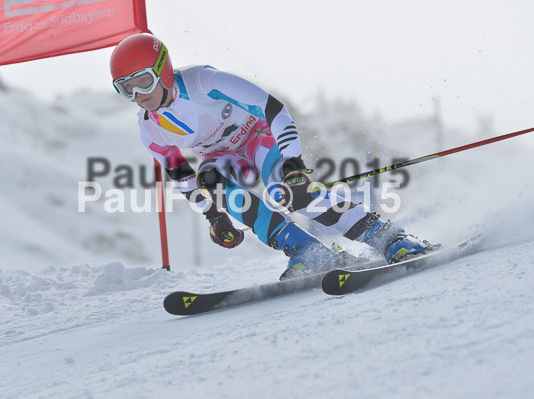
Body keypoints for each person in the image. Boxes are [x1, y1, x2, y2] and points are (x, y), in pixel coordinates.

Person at [110, 33, 434, 280]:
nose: (139, 95)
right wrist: (214, 216)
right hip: (224, 160)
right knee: (211, 180)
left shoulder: (204, 82)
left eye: (143, 81)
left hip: (259, 138)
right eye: (126, 89)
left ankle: (388, 237)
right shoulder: (150, 129)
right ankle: (306, 250)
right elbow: (181, 176)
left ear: (163, 70)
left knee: (292, 193)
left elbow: (275, 111)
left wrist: (294, 166)